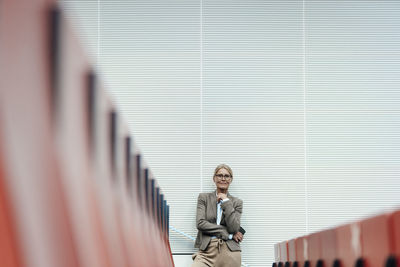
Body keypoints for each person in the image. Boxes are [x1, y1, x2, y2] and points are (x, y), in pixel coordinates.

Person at [191, 164, 244, 267]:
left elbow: (234, 228)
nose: (223, 178)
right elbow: (200, 223)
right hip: (207, 251)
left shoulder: (237, 202)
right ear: (214, 178)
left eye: (227, 176)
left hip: (230, 251)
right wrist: (226, 233)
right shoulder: (204, 198)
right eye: (220, 175)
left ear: (231, 179)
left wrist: (226, 201)